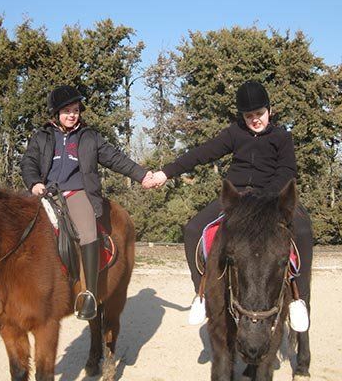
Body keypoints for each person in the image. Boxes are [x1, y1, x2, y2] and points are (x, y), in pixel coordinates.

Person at [144, 81, 313, 326]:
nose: (255, 120)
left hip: (272, 198)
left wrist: (267, 197)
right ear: (242, 116)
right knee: (193, 230)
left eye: (259, 114)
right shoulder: (235, 133)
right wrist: (165, 173)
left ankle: (300, 298)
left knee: (304, 230)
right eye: (249, 116)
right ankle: (201, 294)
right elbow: (202, 153)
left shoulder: (282, 137)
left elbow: (287, 170)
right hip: (237, 197)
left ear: (269, 110)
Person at [21, 85, 153, 321]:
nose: (72, 115)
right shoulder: (41, 136)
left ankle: (89, 293)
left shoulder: (89, 137)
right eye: (66, 111)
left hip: (75, 193)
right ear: (55, 113)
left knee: (88, 232)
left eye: (75, 110)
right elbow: (29, 162)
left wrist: (142, 175)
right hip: (44, 193)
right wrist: (33, 183)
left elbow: (115, 158)